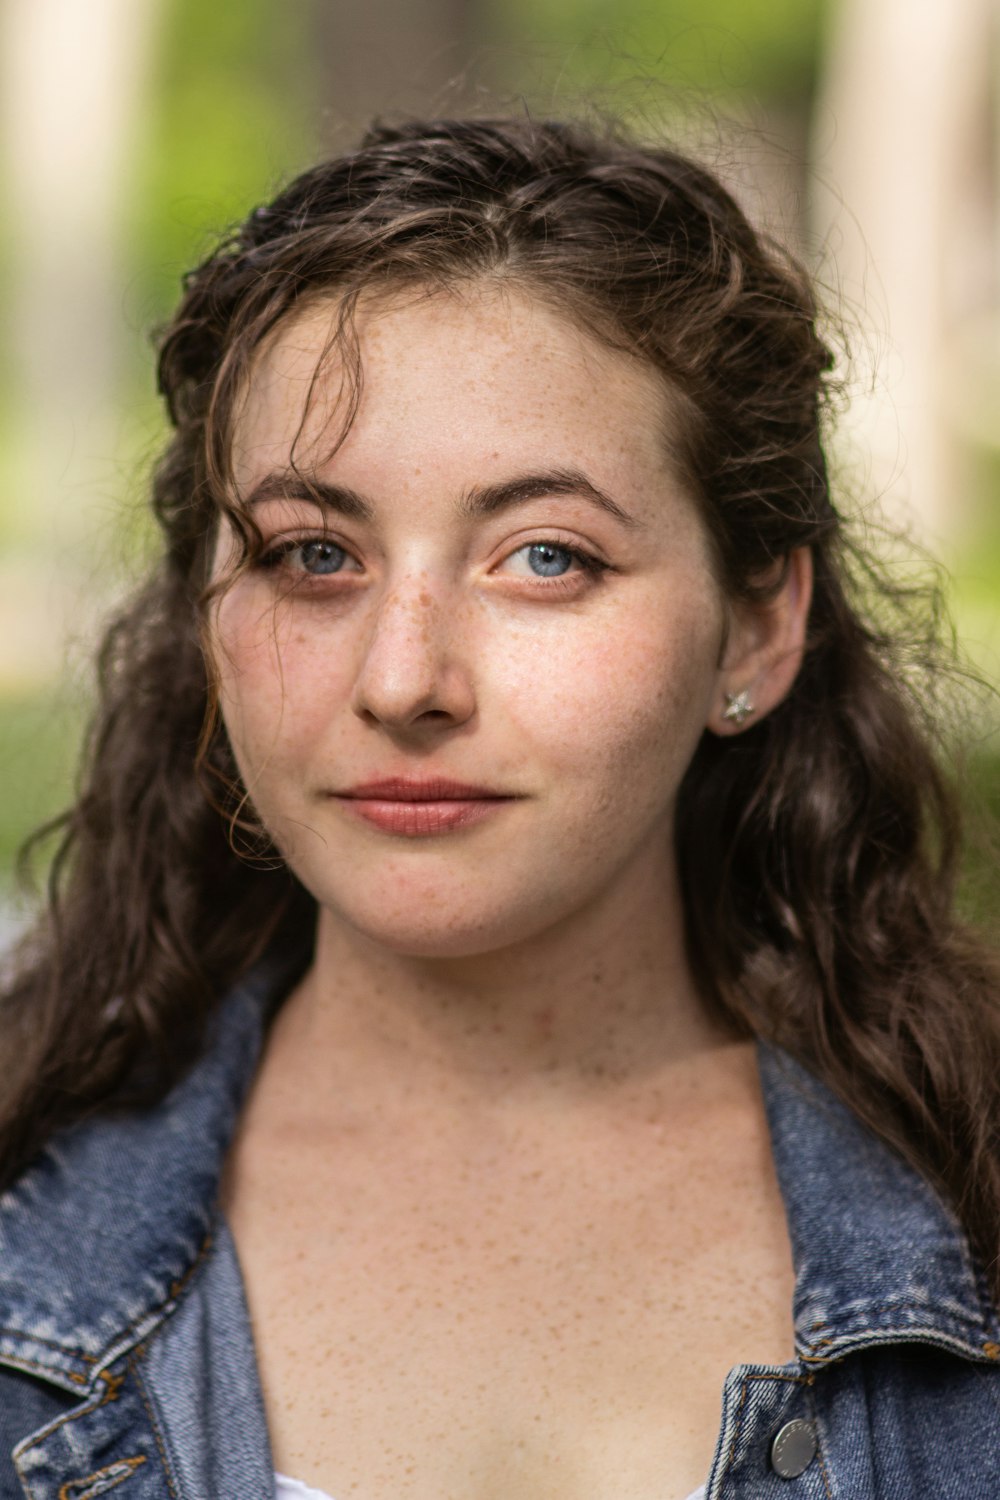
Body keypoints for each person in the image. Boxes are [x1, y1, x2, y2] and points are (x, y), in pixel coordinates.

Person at [0, 115, 998, 1500]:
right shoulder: (21, 1222)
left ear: (757, 630)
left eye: (545, 557)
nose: (404, 680)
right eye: (312, 555)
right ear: (206, 620)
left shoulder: (972, 1219)